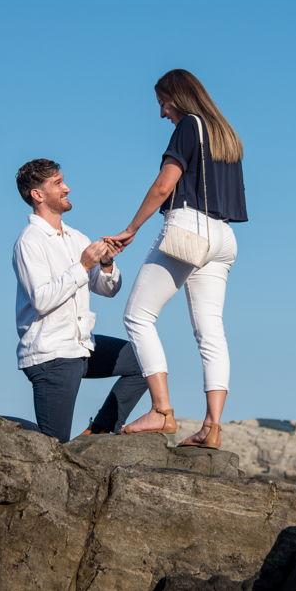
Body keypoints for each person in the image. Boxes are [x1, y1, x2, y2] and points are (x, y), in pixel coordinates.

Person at [108, 69, 247, 449]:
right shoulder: (226, 135)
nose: (162, 113)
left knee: (137, 316)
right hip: (223, 237)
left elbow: (163, 185)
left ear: (178, 97)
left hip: (189, 229)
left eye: (163, 103)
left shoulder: (190, 126)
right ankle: (212, 427)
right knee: (211, 331)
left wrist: (132, 228)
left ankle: (162, 410)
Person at [13, 158, 148, 443]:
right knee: (54, 445)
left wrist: (107, 263)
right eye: (58, 183)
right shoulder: (30, 241)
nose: (67, 188)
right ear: (37, 195)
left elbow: (108, 289)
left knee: (145, 362)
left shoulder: (76, 237)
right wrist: (83, 265)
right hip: (51, 353)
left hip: (81, 345)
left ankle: (97, 433)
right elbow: (41, 300)